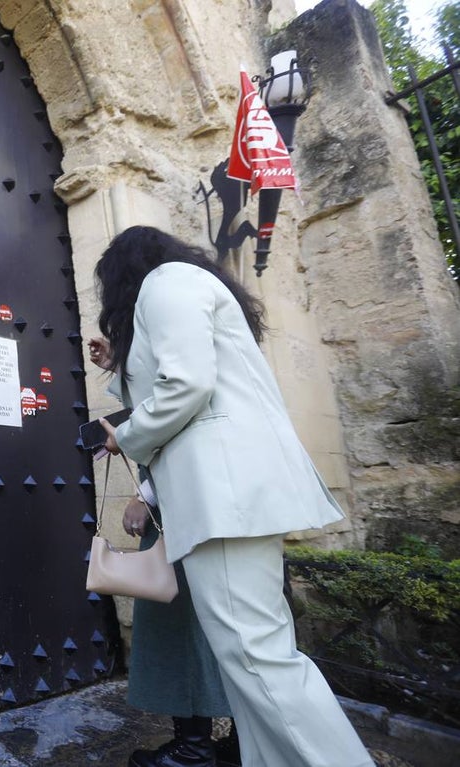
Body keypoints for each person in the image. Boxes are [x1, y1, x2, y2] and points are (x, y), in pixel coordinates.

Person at [91, 226, 374, 767]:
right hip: (232, 495)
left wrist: (123, 435)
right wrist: (121, 362)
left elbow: (186, 386)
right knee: (253, 661)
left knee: (257, 658)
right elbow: (184, 381)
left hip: (224, 497)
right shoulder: (189, 284)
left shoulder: (166, 282)